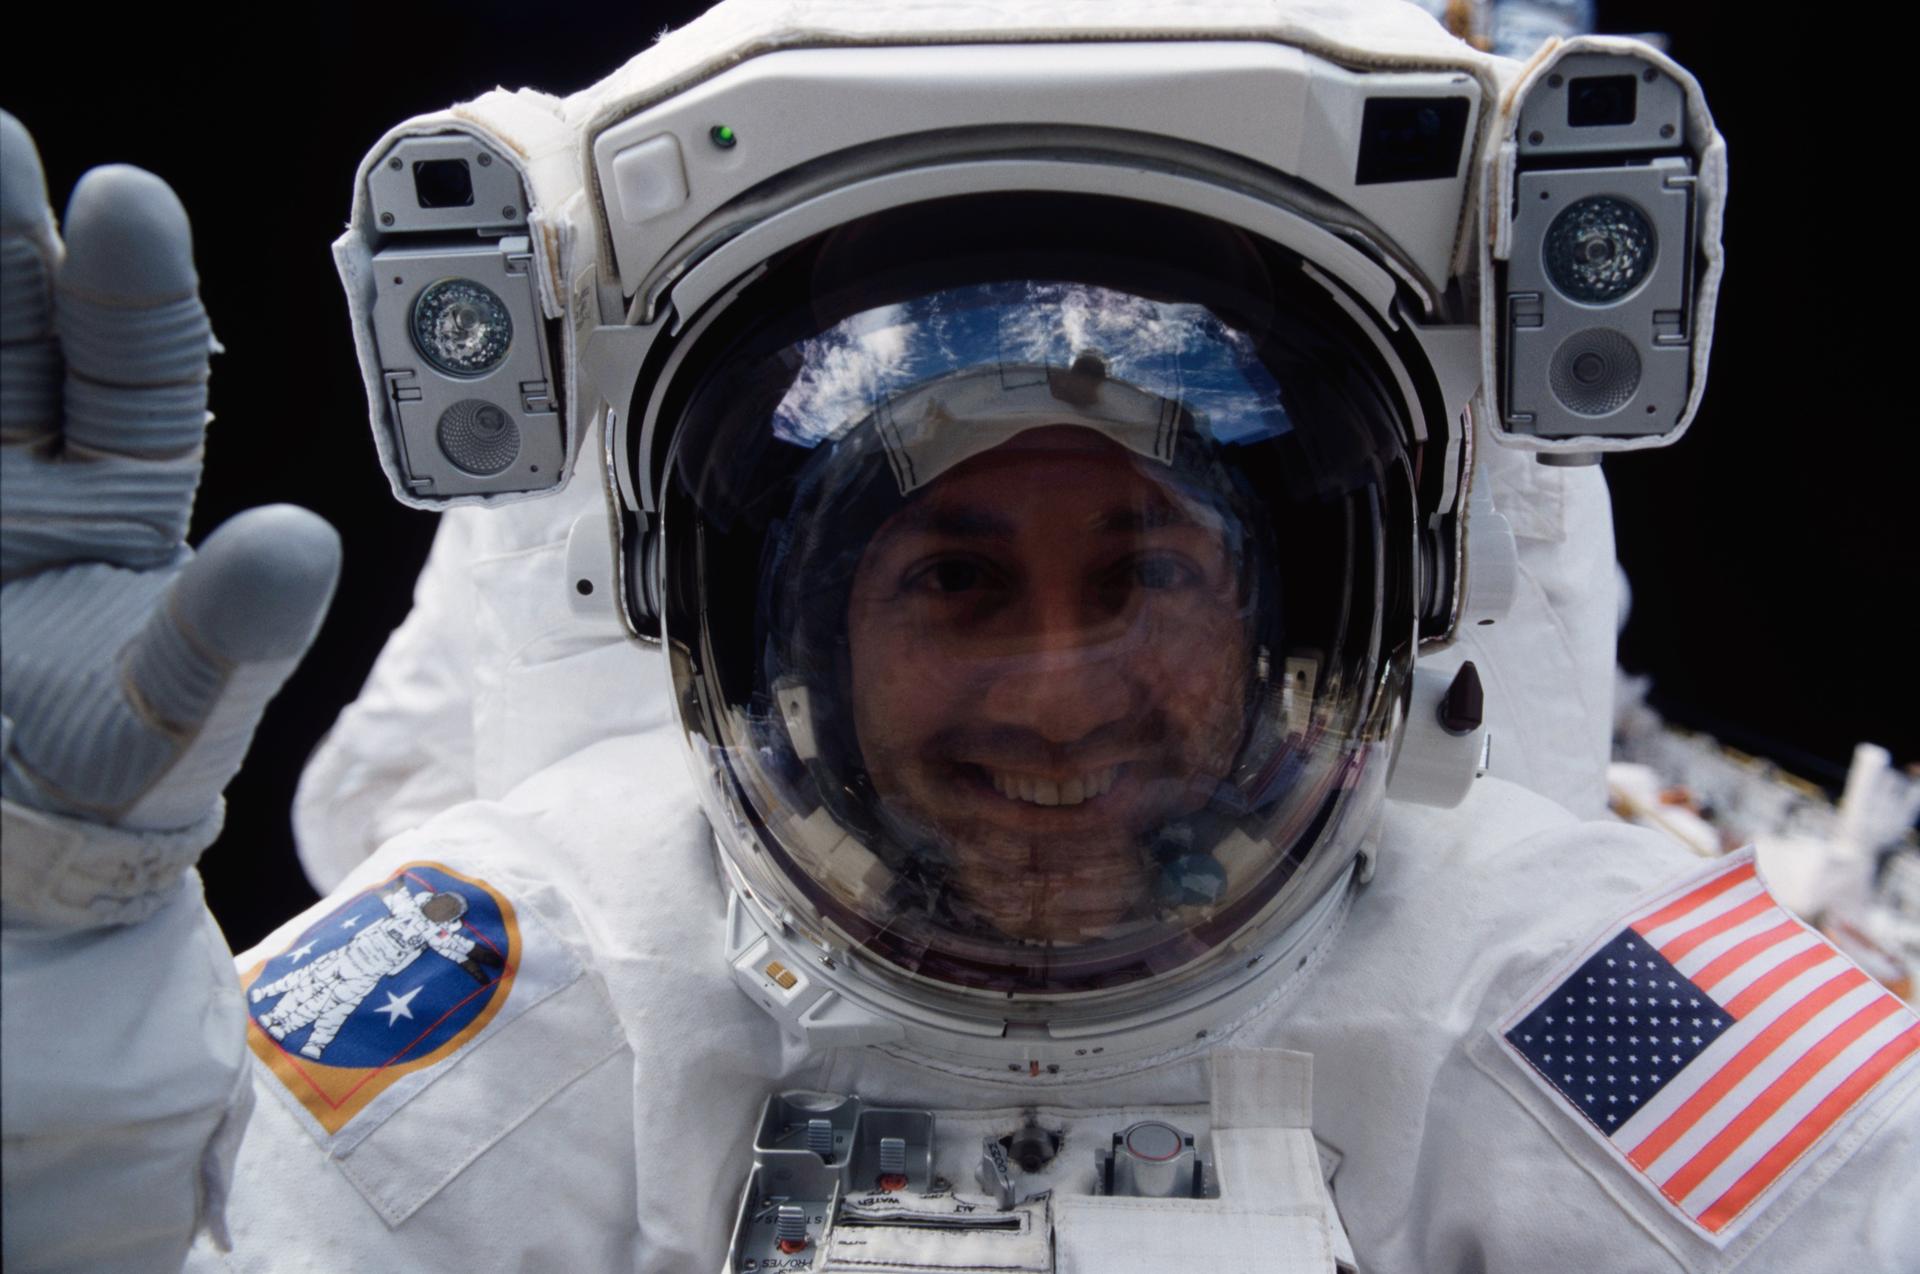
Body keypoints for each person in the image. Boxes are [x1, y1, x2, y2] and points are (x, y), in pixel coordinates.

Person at [3, 4, 1913, 1273]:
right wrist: (58, 999)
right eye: (955, 576)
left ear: (1340, 602)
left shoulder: (1574, 1000)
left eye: (1148, 568)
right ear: (767, 629)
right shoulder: (558, 975)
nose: (1063, 685)